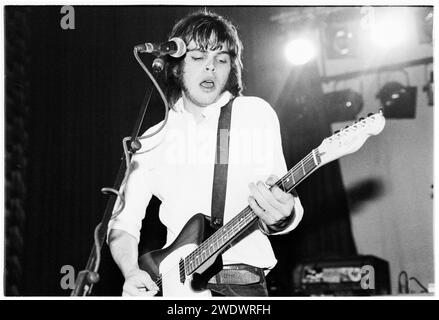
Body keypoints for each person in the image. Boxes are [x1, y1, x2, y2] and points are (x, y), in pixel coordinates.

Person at [107, 10, 304, 297]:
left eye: (221, 59)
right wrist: (131, 272)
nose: (210, 67)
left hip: (239, 283)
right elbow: (122, 224)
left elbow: (283, 200)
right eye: (198, 58)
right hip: (177, 288)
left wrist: (283, 215)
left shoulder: (253, 114)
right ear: (175, 67)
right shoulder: (152, 138)